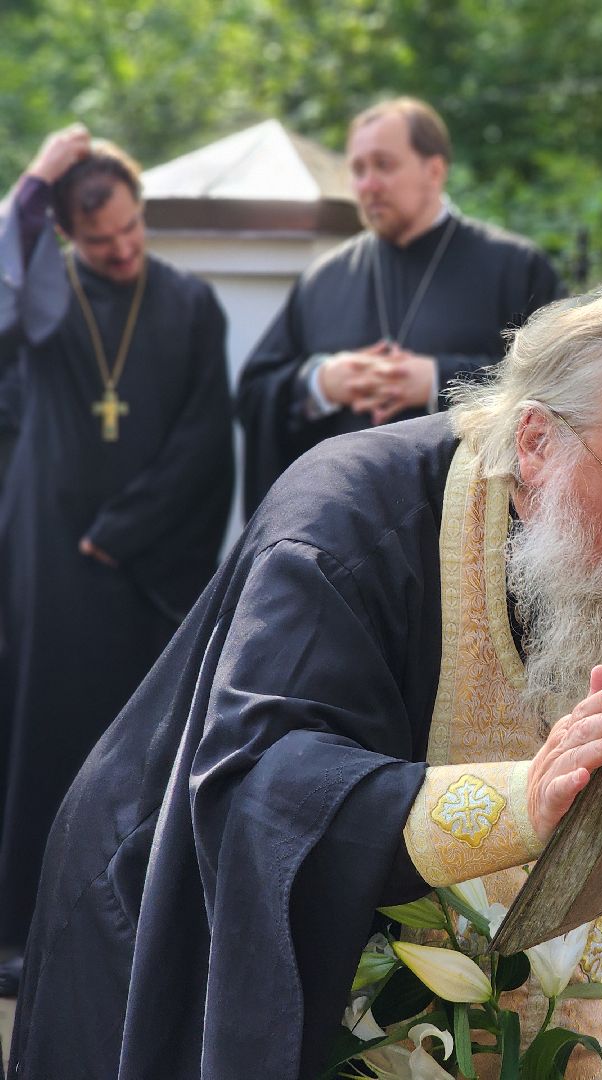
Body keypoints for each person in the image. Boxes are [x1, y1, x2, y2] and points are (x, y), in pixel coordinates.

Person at [9, 276, 602, 1080]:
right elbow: (264, 788)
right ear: (535, 443)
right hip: (167, 931)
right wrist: (516, 802)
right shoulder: (346, 520)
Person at [0, 126, 233, 998]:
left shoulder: (189, 302)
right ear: (67, 235)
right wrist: (32, 181)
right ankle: (21, 934)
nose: (123, 249)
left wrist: (129, 527)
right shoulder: (43, 300)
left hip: (142, 571)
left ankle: (131, 927)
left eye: (133, 229)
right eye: (102, 240)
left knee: (136, 751)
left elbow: (208, 435)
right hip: (48, 565)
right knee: (39, 741)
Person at [237, 96, 563, 515]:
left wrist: (436, 380)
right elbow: (254, 392)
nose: (368, 184)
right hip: (341, 523)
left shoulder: (516, 267)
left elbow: (559, 392)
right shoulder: (324, 278)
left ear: (435, 170)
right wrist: (321, 383)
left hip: (465, 524)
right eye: (357, 170)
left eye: (383, 165)